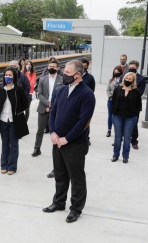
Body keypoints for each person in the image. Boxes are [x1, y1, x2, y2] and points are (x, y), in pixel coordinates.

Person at [43, 60, 95, 223]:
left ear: (77, 75)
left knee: (76, 177)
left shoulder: (87, 94)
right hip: (57, 140)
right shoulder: (60, 90)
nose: (63, 75)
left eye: (67, 73)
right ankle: (58, 202)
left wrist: (67, 138)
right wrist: (53, 133)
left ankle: (76, 208)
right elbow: (52, 113)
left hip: (75, 143)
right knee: (60, 174)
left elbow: (83, 122)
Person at [0, 67, 29, 175]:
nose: (7, 77)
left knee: (14, 144)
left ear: (14, 77)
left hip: (15, 121)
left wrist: (18, 112)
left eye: (10, 75)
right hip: (3, 120)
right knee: (5, 143)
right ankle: (4, 165)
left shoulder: (18, 89)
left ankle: (12, 166)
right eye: (6, 75)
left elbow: (25, 103)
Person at [31, 61, 63, 179]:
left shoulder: (62, 79)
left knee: (56, 133)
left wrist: (53, 105)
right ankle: (37, 148)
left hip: (56, 109)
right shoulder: (42, 79)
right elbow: (39, 94)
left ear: (57, 68)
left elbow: (63, 94)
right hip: (43, 108)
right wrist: (48, 103)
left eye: (53, 67)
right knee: (40, 130)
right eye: (50, 66)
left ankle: (58, 154)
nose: (51, 68)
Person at [111, 72, 142, 163]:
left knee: (127, 138)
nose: (127, 80)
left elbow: (138, 105)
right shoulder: (118, 89)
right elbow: (113, 101)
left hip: (130, 118)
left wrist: (135, 116)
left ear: (133, 81)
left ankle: (125, 156)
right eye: (126, 78)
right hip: (117, 116)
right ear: (124, 78)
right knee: (117, 137)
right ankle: (115, 155)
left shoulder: (136, 91)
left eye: (130, 79)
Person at [119, 60, 146, 149]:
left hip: (134, 106)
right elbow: (119, 89)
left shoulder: (141, 79)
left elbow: (140, 93)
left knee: (133, 123)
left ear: (137, 68)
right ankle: (120, 139)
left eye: (133, 68)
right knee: (121, 123)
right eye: (130, 67)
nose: (131, 69)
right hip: (122, 105)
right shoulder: (123, 76)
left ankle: (134, 141)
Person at [80, 58, 95, 146]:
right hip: (77, 103)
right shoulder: (75, 76)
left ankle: (86, 137)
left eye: (85, 66)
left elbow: (92, 91)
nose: (83, 67)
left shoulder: (90, 78)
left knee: (86, 121)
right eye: (82, 66)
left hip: (86, 103)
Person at [106, 66, 123, 137]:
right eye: (115, 71)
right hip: (110, 100)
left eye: (118, 72)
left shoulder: (122, 81)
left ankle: (118, 131)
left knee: (117, 116)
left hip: (119, 101)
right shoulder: (111, 80)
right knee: (110, 116)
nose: (116, 73)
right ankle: (109, 130)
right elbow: (108, 90)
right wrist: (110, 96)